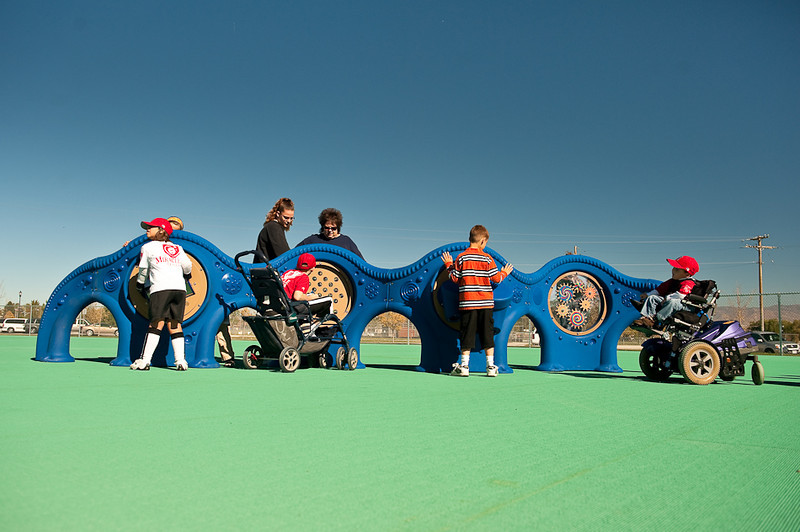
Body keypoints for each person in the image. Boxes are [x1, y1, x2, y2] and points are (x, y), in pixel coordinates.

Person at [441, 225, 514, 377]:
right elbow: (496, 279)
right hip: (486, 303)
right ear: (482, 241)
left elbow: (454, 278)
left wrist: (448, 265)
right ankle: (491, 366)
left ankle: (464, 366)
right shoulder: (487, 258)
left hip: (468, 303)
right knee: (487, 333)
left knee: (467, 333)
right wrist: (504, 273)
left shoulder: (462, 257)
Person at [130, 218, 192, 371]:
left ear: (161, 230)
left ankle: (145, 361)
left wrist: (140, 284)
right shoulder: (177, 247)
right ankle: (181, 361)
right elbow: (187, 265)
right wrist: (186, 274)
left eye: (151, 227)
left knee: (156, 324)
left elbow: (143, 269)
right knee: (175, 324)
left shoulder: (148, 247)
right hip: (179, 290)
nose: (147, 229)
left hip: (160, 288)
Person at [631, 256, 699, 329]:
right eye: (674, 268)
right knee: (652, 298)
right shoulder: (672, 281)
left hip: (685, 305)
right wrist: (648, 294)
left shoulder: (688, 282)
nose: (673, 270)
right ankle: (646, 318)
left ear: (687, 274)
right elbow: (660, 289)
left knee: (672, 302)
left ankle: (656, 320)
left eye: (677, 269)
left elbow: (681, 295)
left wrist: (667, 298)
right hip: (669, 301)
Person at [296, 208, 364, 259]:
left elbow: (361, 261)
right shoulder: (313, 239)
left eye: (333, 228)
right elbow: (295, 252)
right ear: (322, 227)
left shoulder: (346, 241)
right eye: (327, 228)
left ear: (338, 227)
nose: (330, 231)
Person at [281, 252, 332, 319]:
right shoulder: (303, 277)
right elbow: (297, 297)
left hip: (282, 304)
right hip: (292, 307)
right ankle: (316, 322)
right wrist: (311, 297)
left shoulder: (288, 272)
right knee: (328, 300)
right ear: (313, 268)